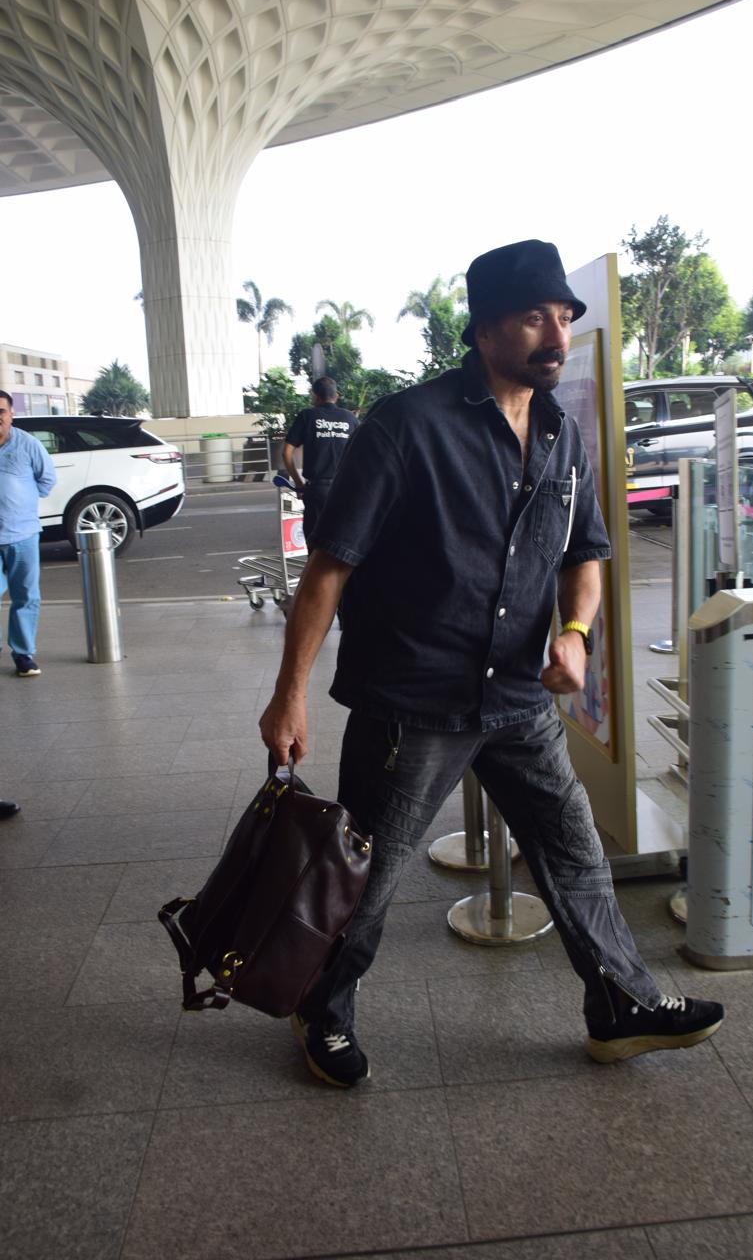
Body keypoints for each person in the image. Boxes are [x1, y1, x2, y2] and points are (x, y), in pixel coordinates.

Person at [260, 240, 724, 1088]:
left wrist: (576, 633)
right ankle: (319, 1005)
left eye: (562, 317)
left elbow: (584, 554)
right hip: (414, 701)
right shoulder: (405, 426)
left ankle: (618, 1002)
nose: (555, 334)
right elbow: (330, 567)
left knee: (573, 854)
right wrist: (287, 697)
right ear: (482, 330)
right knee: (368, 875)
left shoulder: (559, 432)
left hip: (515, 697)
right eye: (533, 318)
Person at [0, 390, 56, 676]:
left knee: (26, 596)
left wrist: (21, 502)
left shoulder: (28, 445)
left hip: (22, 534)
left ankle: (23, 655)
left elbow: (47, 479)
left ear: (11, 414)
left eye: (1, 411)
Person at [282, 378, 358, 549]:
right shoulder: (350, 418)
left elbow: (286, 453)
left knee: (316, 549)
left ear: (315, 396)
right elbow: (364, 454)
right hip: (345, 491)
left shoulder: (307, 416)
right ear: (336, 396)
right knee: (342, 550)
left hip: (317, 492)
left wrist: (299, 484)